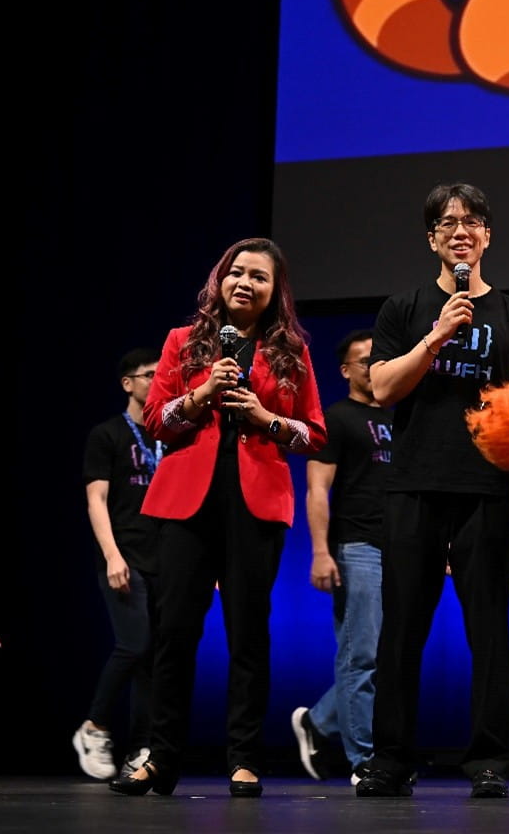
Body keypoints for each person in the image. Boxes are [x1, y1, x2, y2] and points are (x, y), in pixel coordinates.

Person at [109, 237, 326, 798]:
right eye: (237, 272)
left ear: (275, 291)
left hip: (257, 504)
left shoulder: (291, 353)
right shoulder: (183, 342)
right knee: (174, 633)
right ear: (220, 279)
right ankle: (161, 759)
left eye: (259, 276)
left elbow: (313, 434)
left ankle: (244, 759)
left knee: (248, 634)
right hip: (185, 503)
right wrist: (203, 391)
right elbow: (155, 421)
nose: (245, 283)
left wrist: (266, 417)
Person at [356, 182, 509, 799]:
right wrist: (435, 337)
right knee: (401, 630)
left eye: (471, 222)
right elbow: (383, 388)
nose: (460, 231)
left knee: (488, 631)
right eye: (447, 223)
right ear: (432, 239)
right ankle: (391, 759)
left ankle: (488, 761)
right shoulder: (404, 308)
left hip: (485, 489)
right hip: (414, 485)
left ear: (487, 235)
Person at [291, 329, 393, 785]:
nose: (373, 366)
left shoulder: (397, 418)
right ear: (346, 370)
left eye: (379, 358)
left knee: (383, 659)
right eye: (364, 360)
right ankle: (363, 760)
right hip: (357, 548)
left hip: (398, 551)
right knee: (361, 657)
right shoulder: (335, 419)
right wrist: (320, 551)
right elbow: (317, 489)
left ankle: (318, 722)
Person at [74, 347, 163, 781]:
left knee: (154, 658)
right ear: (128, 383)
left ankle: (141, 746)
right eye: (150, 375)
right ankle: (94, 727)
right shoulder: (107, 434)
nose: (158, 381)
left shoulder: (171, 435)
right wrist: (112, 554)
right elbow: (97, 499)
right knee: (135, 644)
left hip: (165, 558)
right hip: (123, 554)